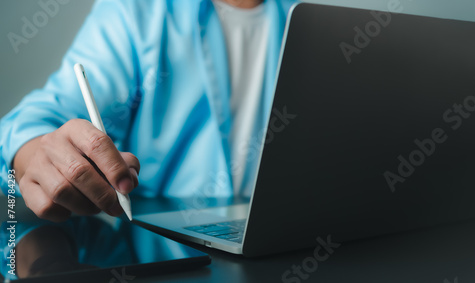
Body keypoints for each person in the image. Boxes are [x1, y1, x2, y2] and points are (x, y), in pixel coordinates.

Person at [0, 0, 296, 222]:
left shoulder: (309, 18)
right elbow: (39, 116)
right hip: (163, 248)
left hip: (285, 234)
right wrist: (33, 154)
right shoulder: (136, 11)